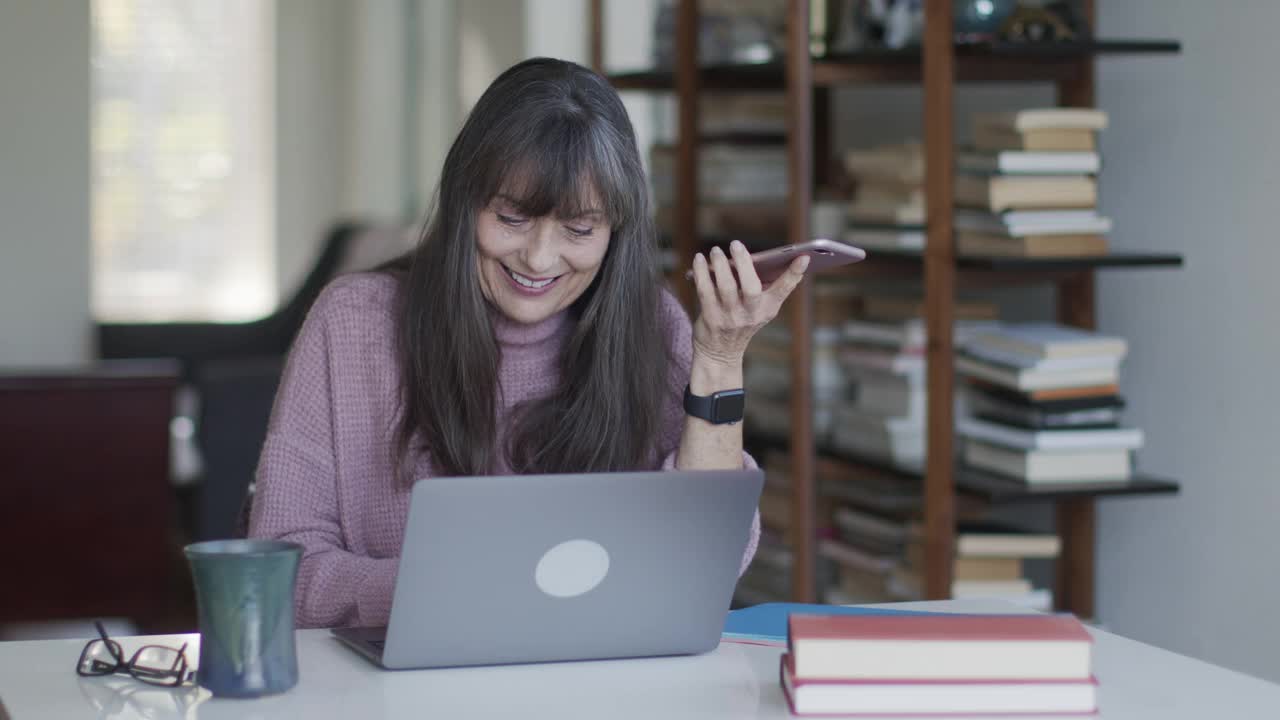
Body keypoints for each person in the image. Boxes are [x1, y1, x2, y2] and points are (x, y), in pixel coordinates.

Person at [248, 57, 809, 629]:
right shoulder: (353, 323)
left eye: (579, 230)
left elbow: (708, 559)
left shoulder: (652, 324)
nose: (539, 259)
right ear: (466, 201)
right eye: (512, 218)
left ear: (618, 231)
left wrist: (718, 359)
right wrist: (449, 587)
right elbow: (276, 575)